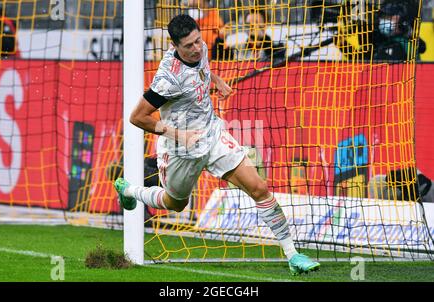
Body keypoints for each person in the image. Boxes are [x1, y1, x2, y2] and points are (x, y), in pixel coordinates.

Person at [114, 14, 320, 275]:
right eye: (188, 46)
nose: (197, 48)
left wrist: (216, 80)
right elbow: (137, 117)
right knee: (176, 203)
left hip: (212, 135)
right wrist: (178, 134)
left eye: (198, 41)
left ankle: (293, 255)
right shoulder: (167, 78)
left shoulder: (202, 49)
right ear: (174, 46)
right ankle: (131, 191)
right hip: (180, 150)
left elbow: (201, 69)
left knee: (259, 187)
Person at [213, 10, 285, 61]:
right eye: (248, 23)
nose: (252, 26)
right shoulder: (237, 47)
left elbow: (277, 58)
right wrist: (221, 38)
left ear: (265, 25)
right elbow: (218, 59)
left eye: (256, 22)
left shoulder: (277, 48)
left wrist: (263, 38)